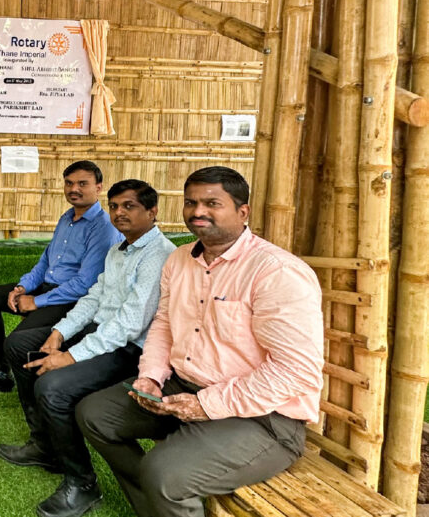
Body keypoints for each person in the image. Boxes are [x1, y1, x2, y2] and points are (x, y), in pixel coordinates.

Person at [77, 166, 324, 517]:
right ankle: (154, 507)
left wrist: (206, 404)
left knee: (165, 474)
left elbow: (294, 372)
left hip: (262, 416)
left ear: (243, 212)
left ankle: (162, 495)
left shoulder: (276, 272)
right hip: (183, 386)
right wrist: (151, 375)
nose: (197, 212)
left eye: (212, 203)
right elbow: (163, 324)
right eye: (190, 202)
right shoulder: (179, 260)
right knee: (95, 414)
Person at [0, 179, 176, 517]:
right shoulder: (119, 249)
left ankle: (81, 481)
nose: (119, 213)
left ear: (152, 212)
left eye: (129, 206)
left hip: (129, 349)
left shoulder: (159, 254)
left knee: (52, 387)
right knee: (23, 347)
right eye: (114, 206)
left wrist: (71, 355)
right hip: (102, 334)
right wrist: (59, 334)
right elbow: (94, 297)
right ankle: (45, 445)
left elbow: (131, 324)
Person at [0, 160, 121, 391]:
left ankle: (41, 390)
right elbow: (46, 261)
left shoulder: (103, 227)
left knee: (17, 341)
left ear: (98, 187)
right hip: (47, 288)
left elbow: (85, 284)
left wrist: (36, 302)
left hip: (71, 299)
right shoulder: (67, 218)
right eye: (68, 183)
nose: (73, 189)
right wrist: (22, 288)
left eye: (82, 184)